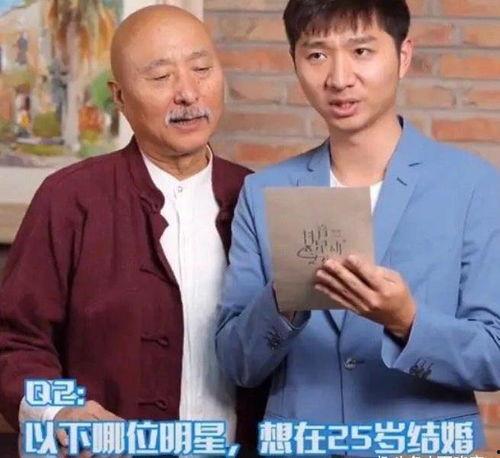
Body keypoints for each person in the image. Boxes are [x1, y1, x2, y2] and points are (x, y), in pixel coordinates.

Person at [215, 0, 500, 453]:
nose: (339, 77)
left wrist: (407, 321)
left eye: (361, 51)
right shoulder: (263, 191)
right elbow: (237, 365)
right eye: (316, 54)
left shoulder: (473, 186)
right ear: (295, 62)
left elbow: (494, 356)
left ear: (403, 56)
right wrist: (284, 301)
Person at [0, 5, 265, 450]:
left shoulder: (254, 196)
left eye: (202, 69)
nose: (188, 92)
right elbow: (16, 340)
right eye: (160, 77)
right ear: (119, 97)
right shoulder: (69, 199)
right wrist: (59, 412)